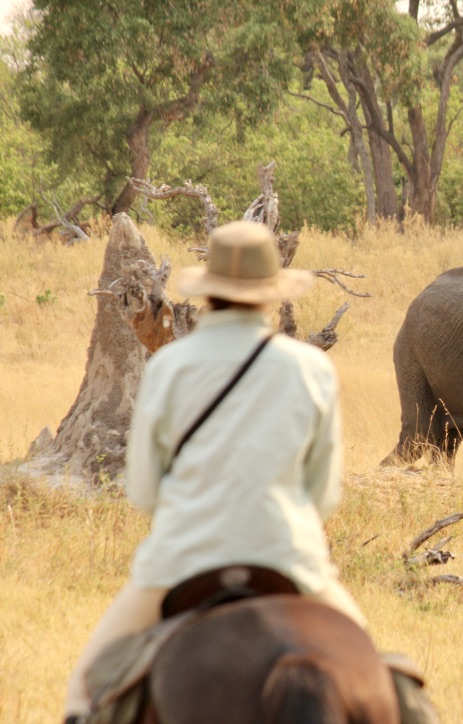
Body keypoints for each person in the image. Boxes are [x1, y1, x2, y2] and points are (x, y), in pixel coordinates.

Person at [63, 220, 368, 721]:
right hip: (289, 558)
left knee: (83, 691)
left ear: (210, 292)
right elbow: (323, 496)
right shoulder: (310, 368)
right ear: (271, 294)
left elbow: (143, 490)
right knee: (390, 681)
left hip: (184, 561)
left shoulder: (170, 366)